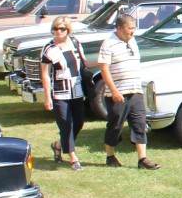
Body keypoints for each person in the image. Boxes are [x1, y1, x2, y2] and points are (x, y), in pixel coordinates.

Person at [98, 12, 159, 170]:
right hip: (117, 94)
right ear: (119, 28)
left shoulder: (133, 41)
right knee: (115, 125)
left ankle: (142, 159)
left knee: (140, 124)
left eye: (134, 28)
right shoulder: (108, 44)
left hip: (135, 91)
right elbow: (104, 69)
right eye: (129, 28)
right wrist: (114, 91)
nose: (132, 31)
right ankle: (110, 156)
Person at [40, 16, 88, 170]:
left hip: (77, 90)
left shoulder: (75, 43)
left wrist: (104, 62)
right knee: (66, 124)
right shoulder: (49, 48)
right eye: (55, 28)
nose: (58, 32)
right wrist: (47, 97)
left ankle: (58, 145)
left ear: (68, 29)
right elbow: (45, 74)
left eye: (62, 29)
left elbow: (84, 63)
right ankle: (74, 158)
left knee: (79, 122)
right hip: (60, 92)